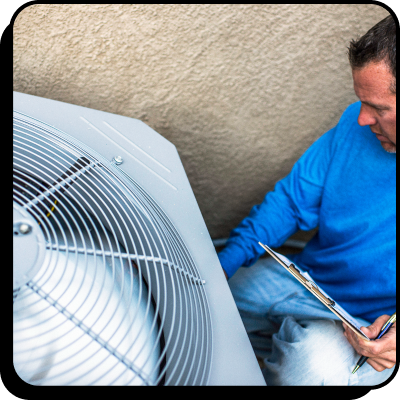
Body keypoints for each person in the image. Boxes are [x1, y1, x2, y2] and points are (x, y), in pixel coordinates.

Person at [218, 15, 396, 385]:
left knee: (313, 371)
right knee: (198, 301)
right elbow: (288, 202)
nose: (362, 119)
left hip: (366, 328)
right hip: (305, 279)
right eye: (360, 102)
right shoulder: (353, 124)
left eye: (378, 108)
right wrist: (225, 263)